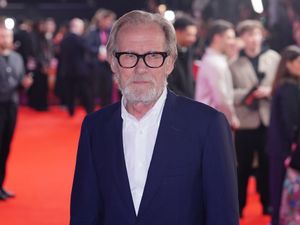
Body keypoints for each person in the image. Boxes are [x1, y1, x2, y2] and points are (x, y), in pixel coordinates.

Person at [70, 10, 239, 225]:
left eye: (153, 56)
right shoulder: (95, 127)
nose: (141, 68)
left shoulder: (208, 125)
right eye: (129, 56)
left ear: (169, 63)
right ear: (113, 63)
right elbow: (84, 213)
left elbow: (222, 216)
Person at [229, 20, 281, 216]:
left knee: (268, 166)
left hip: (268, 120)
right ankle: (239, 206)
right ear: (241, 38)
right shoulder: (233, 63)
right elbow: (228, 93)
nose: (253, 39)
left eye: (256, 34)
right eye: (248, 35)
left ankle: (268, 203)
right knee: (242, 167)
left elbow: (282, 85)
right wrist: (248, 93)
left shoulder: (273, 58)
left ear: (262, 36)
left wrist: (269, 90)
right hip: (244, 122)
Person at [266, 45, 300, 225]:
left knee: (279, 193)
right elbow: (292, 124)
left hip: (280, 149)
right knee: (282, 194)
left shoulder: (285, 86)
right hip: (285, 151)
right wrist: (293, 149)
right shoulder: (289, 88)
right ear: (289, 64)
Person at [0, 25, 32, 200]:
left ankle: (1, 185)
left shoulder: (17, 58)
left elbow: (18, 82)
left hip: (12, 107)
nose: (6, 39)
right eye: (2, 36)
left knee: (5, 147)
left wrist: (24, 84)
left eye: (8, 36)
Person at [195, 20, 240, 129]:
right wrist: (232, 117)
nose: (233, 42)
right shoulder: (215, 63)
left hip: (210, 119)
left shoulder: (213, 60)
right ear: (217, 38)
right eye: (229, 38)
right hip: (213, 121)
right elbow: (221, 99)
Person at [59, 18, 95, 116]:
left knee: (70, 93)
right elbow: (88, 51)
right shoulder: (80, 40)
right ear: (77, 27)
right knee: (86, 93)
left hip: (66, 70)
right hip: (80, 71)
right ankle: (90, 111)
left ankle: (71, 111)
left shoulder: (64, 39)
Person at [167, 14, 198, 99]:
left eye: (194, 35)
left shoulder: (189, 50)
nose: (193, 39)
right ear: (177, 32)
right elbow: (169, 85)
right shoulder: (167, 52)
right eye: (189, 35)